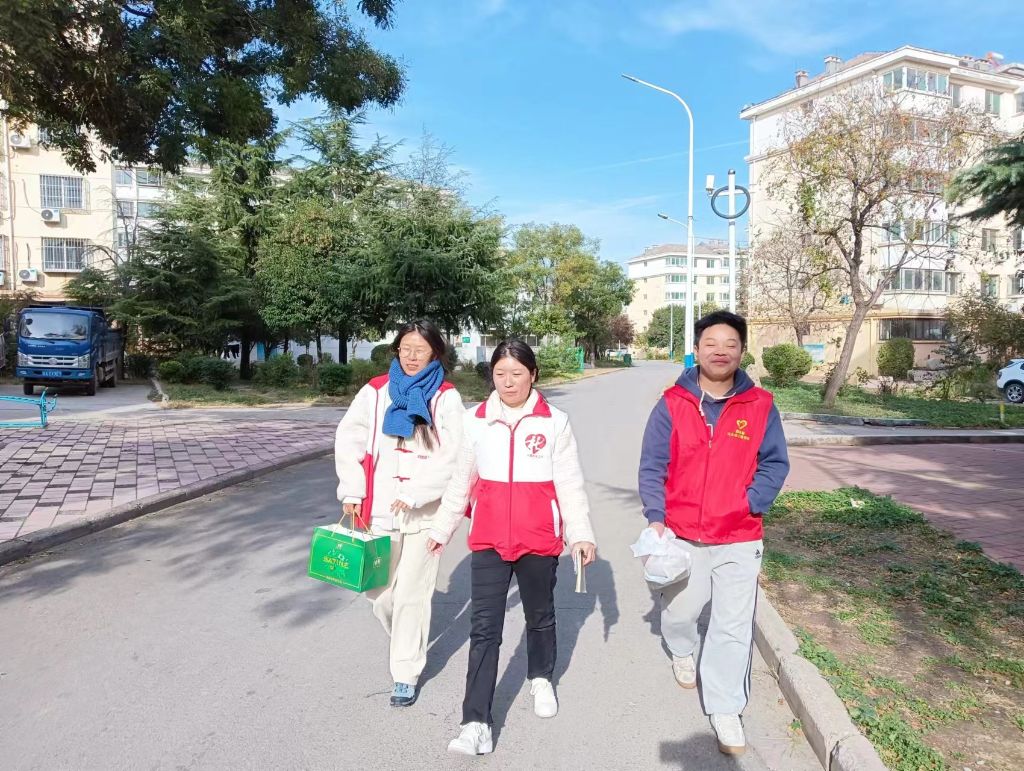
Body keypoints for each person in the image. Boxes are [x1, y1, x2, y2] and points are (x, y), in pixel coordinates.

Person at [427, 340, 597, 756]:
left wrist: (580, 533)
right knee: (484, 628)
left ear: (533, 375)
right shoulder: (476, 420)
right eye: (500, 374)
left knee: (540, 616)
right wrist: (441, 529)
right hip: (488, 539)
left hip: (538, 538)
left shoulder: (554, 422)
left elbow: (569, 483)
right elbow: (461, 480)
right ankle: (475, 723)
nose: (508, 382)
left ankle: (540, 677)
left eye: (517, 374)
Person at [637, 311, 790, 756]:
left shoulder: (760, 405)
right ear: (697, 350)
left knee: (732, 625)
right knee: (681, 612)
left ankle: (726, 708)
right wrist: (656, 517)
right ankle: (680, 647)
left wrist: (750, 502)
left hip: (740, 534)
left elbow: (775, 463)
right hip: (683, 533)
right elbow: (652, 465)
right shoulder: (672, 403)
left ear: (742, 351)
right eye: (711, 343)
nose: (720, 351)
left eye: (730, 344)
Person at [333, 320, 464, 708]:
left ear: (434, 353)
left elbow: (455, 454)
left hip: (424, 513)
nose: (411, 356)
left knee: (411, 594)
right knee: (380, 593)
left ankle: (405, 672)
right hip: (378, 510)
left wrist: (417, 492)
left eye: (420, 350)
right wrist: (352, 489)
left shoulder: (446, 397)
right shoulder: (376, 391)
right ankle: (406, 636)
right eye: (405, 348)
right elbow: (349, 439)